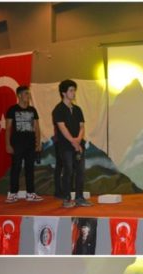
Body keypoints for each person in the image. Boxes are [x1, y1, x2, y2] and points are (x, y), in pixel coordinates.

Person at [53, 80, 91, 208]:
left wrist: (79, 140)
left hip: (78, 145)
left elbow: (82, 127)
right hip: (65, 147)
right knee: (68, 171)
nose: (74, 93)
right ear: (64, 93)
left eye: (74, 90)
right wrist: (74, 142)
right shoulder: (58, 110)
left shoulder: (77, 109)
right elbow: (62, 128)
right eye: (71, 90)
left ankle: (79, 198)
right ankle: (67, 199)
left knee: (80, 171)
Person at [5, 85, 43, 203]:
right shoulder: (12, 109)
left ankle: (30, 193)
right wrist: (8, 144)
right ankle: (13, 194)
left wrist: (38, 143)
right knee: (15, 168)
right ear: (19, 95)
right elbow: (8, 128)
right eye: (26, 93)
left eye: (29, 93)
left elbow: (37, 127)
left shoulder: (33, 110)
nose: (28, 95)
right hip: (17, 144)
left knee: (30, 169)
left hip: (30, 144)